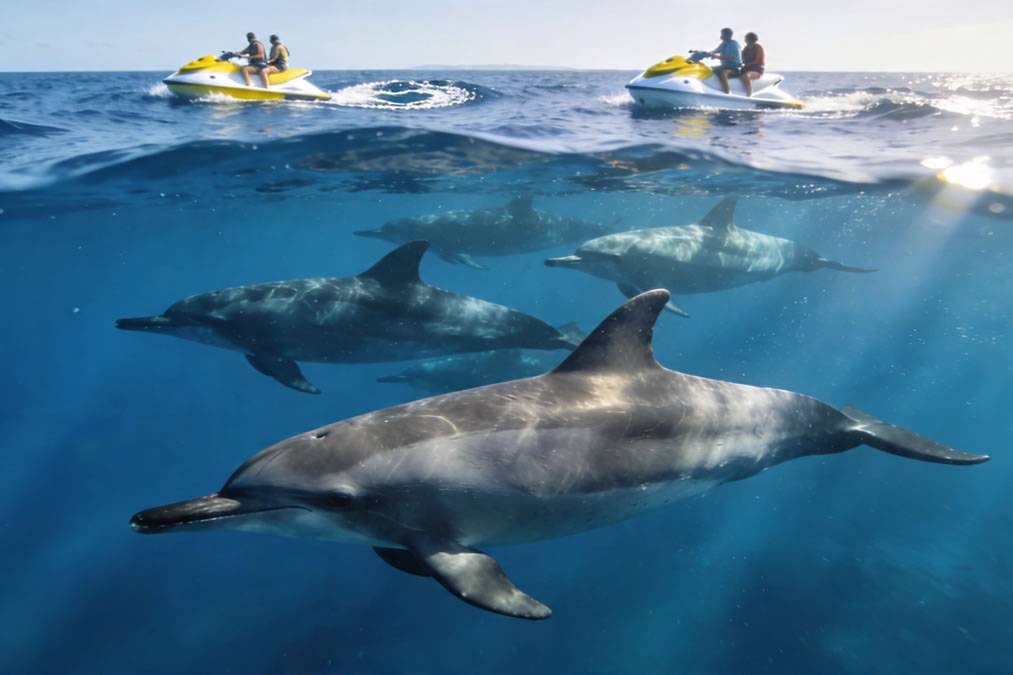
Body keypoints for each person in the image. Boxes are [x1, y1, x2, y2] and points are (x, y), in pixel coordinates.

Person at [709, 27, 741, 95]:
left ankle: (727, 93)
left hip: (734, 69)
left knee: (722, 73)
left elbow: (732, 57)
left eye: (723, 34)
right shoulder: (723, 44)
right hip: (724, 66)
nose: (721, 36)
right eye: (721, 34)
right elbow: (715, 51)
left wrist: (717, 57)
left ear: (729, 35)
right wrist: (704, 53)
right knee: (709, 69)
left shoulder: (734, 44)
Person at [739, 32, 765, 97]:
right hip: (747, 68)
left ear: (750, 39)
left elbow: (757, 60)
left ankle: (749, 93)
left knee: (747, 75)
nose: (745, 39)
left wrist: (747, 64)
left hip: (757, 69)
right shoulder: (746, 48)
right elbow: (741, 58)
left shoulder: (758, 47)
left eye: (746, 38)